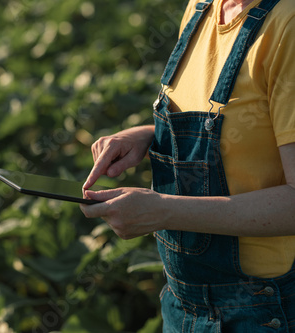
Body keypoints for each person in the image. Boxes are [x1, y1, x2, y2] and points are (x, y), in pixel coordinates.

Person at [80, 0, 295, 331]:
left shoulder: (287, 26)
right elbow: (241, 134)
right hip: (182, 305)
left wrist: (164, 211)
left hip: (261, 309)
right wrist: (144, 136)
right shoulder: (202, 7)